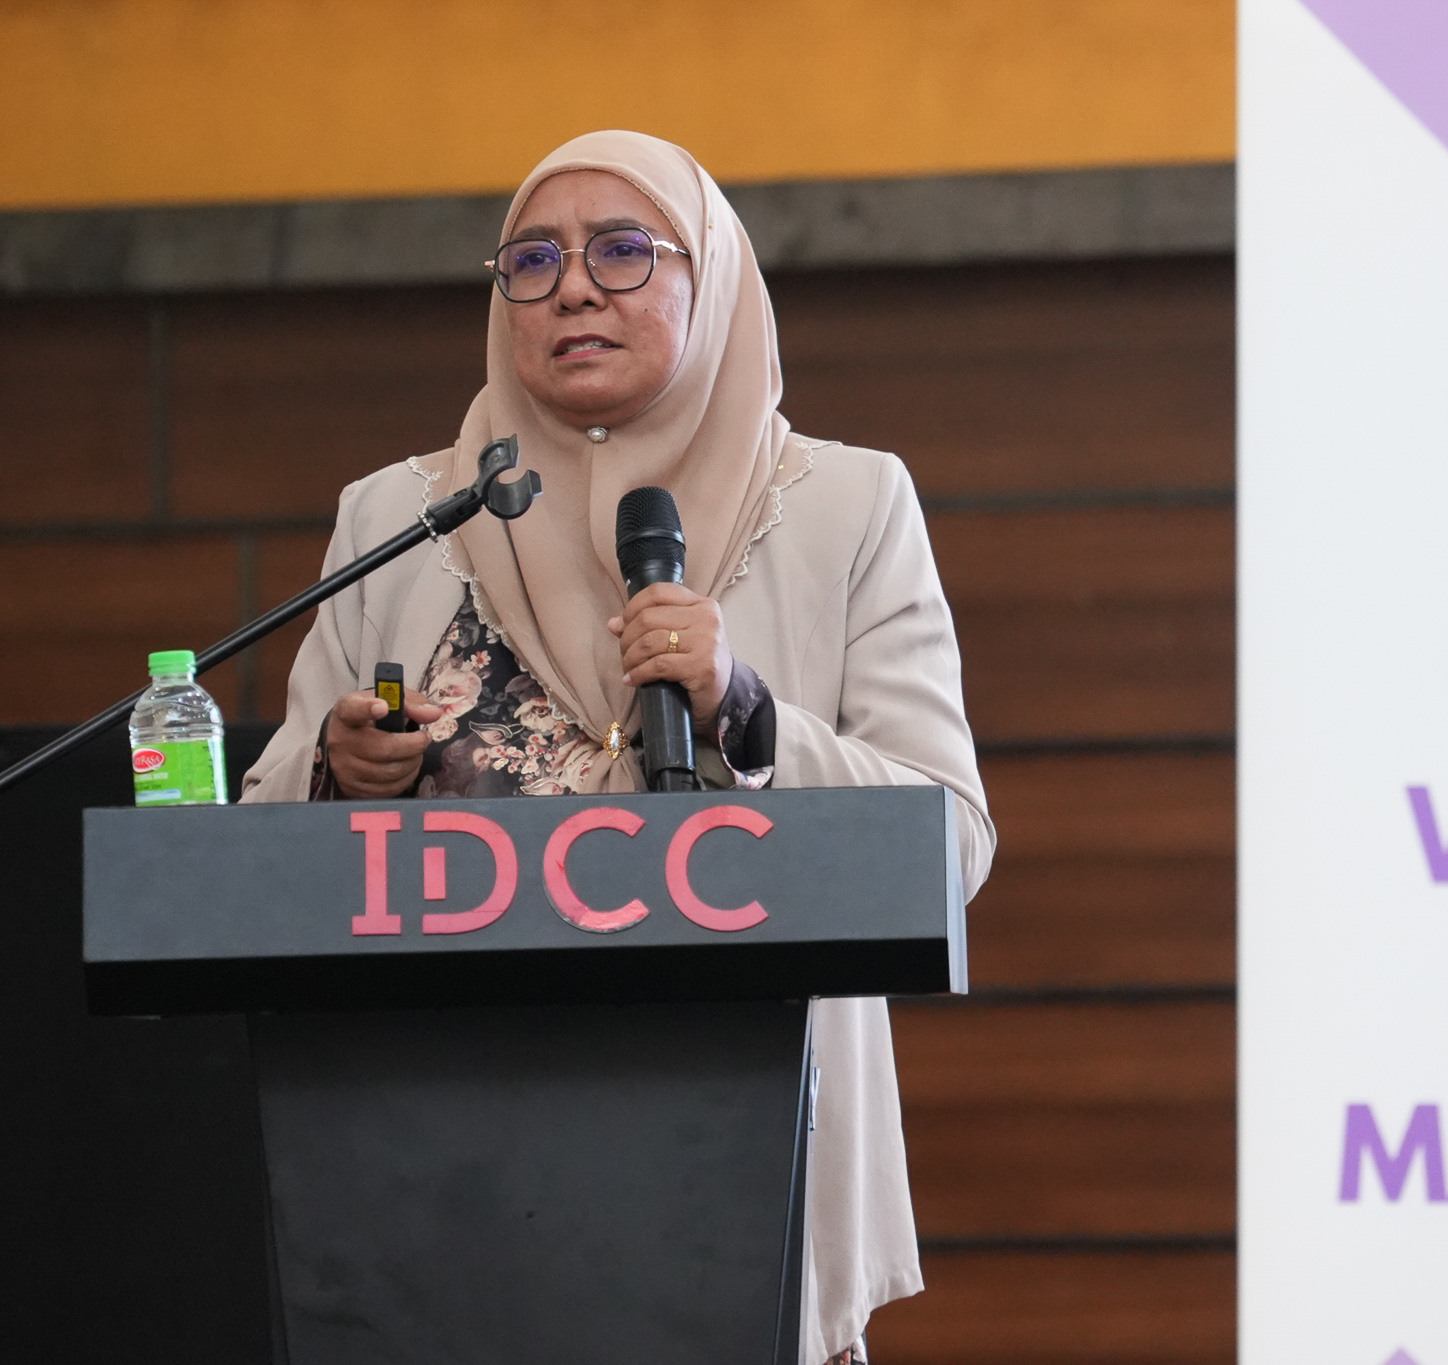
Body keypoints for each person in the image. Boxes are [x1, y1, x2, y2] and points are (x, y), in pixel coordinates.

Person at [240, 130, 995, 1365]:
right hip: (430, 1161)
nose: (574, 288)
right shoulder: (398, 518)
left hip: (741, 1152)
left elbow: (945, 842)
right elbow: (259, 842)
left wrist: (745, 707)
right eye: (532, 260)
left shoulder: (848, 506)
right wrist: (338, 770)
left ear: (714, 278)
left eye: (623, 251)